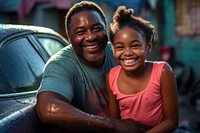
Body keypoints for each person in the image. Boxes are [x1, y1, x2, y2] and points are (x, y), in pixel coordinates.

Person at [36, 1, 150, 132]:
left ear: (105, 29)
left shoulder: (120, 54)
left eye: (97, 29)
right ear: (69, 37)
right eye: (80, 32)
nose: (90, 37)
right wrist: (114, 125)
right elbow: (47, 108)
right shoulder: (60, 65)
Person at [106, 6, 179, 133]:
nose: (127, 52)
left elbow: (172, 121)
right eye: (120, 47)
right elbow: (116, 122)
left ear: (148, 47)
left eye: (135, 45)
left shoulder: (162, 72)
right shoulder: (111, 77)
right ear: (113, 49)